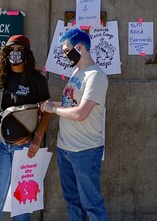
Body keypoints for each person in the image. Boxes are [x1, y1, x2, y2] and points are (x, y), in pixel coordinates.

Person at [39, 28, 109, 221]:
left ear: (80, 47)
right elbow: (72, 105)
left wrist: (53, 110)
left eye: (66, 50)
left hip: (85, 151)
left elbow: (80, 113)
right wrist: (51, 105)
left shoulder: (95, 75)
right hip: (65, 149)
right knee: (73, 202)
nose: (64, 55)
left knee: (92, 205)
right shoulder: (76, 73)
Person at [0, 34, 50, 221]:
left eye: (19, 50)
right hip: (1, 144)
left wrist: (37, 139)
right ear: (6, 53)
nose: (15, 53)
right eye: (12, 49)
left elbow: (46, 112)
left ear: (27, 54)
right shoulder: (0, 76)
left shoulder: (37, 80)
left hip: (26, 147)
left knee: (22, 202)